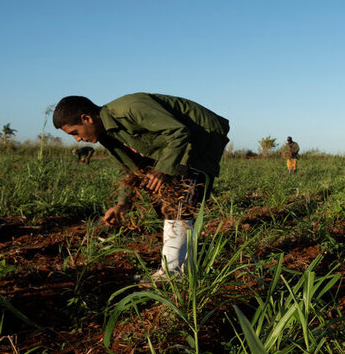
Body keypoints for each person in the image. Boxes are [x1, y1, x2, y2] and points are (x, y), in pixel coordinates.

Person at [53, 93, 230, 281]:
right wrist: (122, 203)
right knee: (160, 190)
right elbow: (130, 168)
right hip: (172, 141)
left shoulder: (131, 108)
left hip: (202, 133)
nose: (77, 140)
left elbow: (178, 131)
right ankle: (181, 267)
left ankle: (174, 272)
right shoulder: (106, 134)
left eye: (74, 132)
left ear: (86, 118)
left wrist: (162, 169)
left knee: (179, 194)